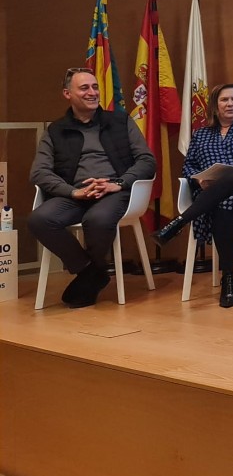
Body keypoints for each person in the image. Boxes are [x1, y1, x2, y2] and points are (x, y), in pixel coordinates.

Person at [29, 67, 156, 308]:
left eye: (95, 87)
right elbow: (39, 172)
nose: (92, 92)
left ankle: (90, 276)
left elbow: (147, 161)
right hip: (75, 194)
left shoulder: (120, 121)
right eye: (84, 88)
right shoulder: (55, 131)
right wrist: (73, 191)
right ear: (67, 94)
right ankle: (92, 272)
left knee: (97, 219)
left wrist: (117, 183)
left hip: (114, 191)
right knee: (39, 219)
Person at [153, 83, 233, 309]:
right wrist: (199, 179)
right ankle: (228, 278)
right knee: (222, 204)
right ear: (215, 107)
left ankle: (179, 222)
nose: (231, 104)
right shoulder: (201, 135)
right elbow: (189, 167)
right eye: (225, 100)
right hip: (211, 192)